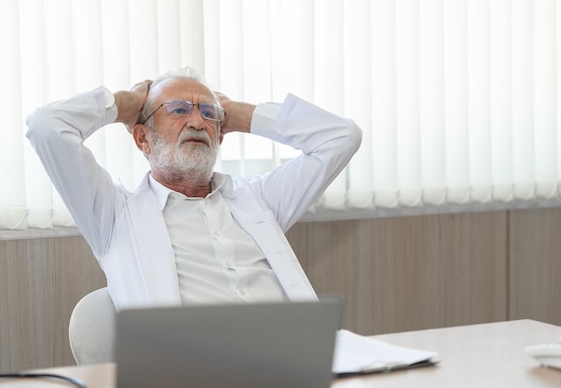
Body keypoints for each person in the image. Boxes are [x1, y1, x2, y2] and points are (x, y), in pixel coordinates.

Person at [26, 68, 362, 310]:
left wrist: (241, 115)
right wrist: (124, 105)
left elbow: (342, 138)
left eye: (209, 113)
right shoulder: (114, 216)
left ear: (219, 135)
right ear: (143, 138)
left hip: (293, 364)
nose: (197, 121)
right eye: (178, 110)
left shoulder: (258, 201)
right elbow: (47, 127)